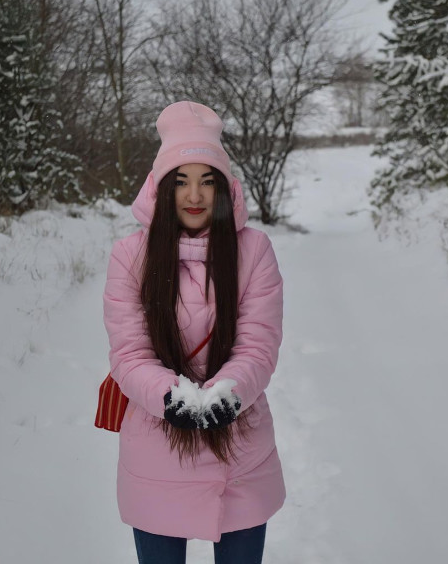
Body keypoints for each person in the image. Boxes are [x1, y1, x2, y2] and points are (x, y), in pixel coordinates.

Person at [103, 101, 285, 564]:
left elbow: (259, 343)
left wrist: (230, 392)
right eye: (181, 180)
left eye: (208, 180)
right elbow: (129, 353)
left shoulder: (253, 251)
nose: (195, 194)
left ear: (225, 188)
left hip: (240, 455)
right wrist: (168, 396)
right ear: (161, 188)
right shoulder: (131, 256)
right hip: (157, 452)